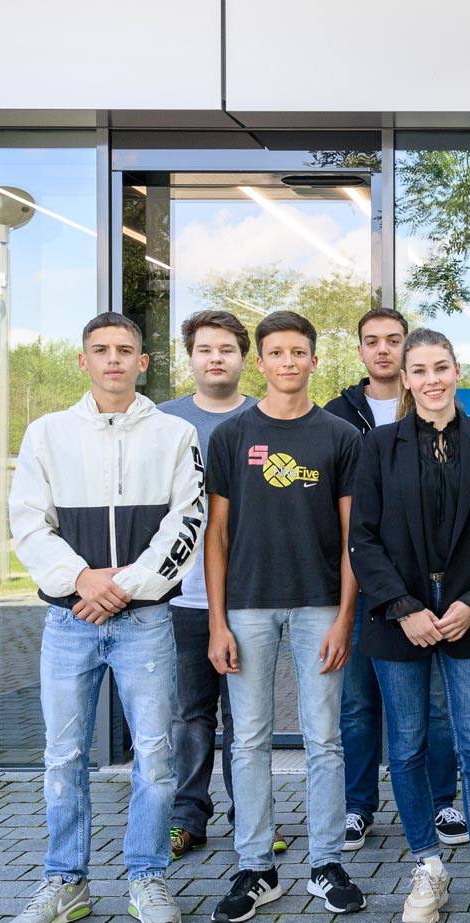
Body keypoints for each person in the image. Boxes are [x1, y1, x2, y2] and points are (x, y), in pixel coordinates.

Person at [4, 312, 203, 923]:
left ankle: (146, 876)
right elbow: (29, 524)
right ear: (83, 361)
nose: (113, 359)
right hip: (69, 622)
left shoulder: (174, 434)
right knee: (63, 756)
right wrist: (82, 580)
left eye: (125, 350)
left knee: (154, 755)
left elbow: (187, 521)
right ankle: (66, 881)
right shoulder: (46, 434)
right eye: (101, 350)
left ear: (144, 363)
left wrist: (124, 587)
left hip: (144, 621)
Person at [350, 329, 470, 923]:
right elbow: (361, 538)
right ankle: (427, 866)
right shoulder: (379, 446)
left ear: (457, 371)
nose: (431, 379)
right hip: (401, 617)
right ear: (407, 379)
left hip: (469, 612)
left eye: (441, 367)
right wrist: (402, 607)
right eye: (418, 370)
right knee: (410, 746)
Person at [204, 310, 367, 923]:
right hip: (245, 607)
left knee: (324, 739)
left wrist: (346, 618)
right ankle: (256, 868)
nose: (288, 363)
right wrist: (217, 622)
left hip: (320, 605)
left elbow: (354, 536)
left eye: (299, 352)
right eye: (276, 353)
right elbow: (215, 537)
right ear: (261, 361)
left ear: (315, 361)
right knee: (247, 739)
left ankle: (326, 863)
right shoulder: (231, 436)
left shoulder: (340, 438)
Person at [326, 307, 466, 855]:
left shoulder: (449, 420)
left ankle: (441, 799)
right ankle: (358, 807)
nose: (383, 349)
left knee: (433, 703)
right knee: (358, 702)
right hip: (362, 580)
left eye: (393, 340)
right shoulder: (338, 415)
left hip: (426, 587)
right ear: (361, 351)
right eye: (372, 341)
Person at [160, 310, 270, 860]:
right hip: (183, 595)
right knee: (190, 711)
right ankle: (187, 816)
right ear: (192, 357)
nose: (216, 358)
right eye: (205, 349)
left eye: (227, 348)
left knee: (246, 715)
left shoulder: (264, 419)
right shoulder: (163, 421)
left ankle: (249, 816)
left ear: (243, 357)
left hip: (248, 595)